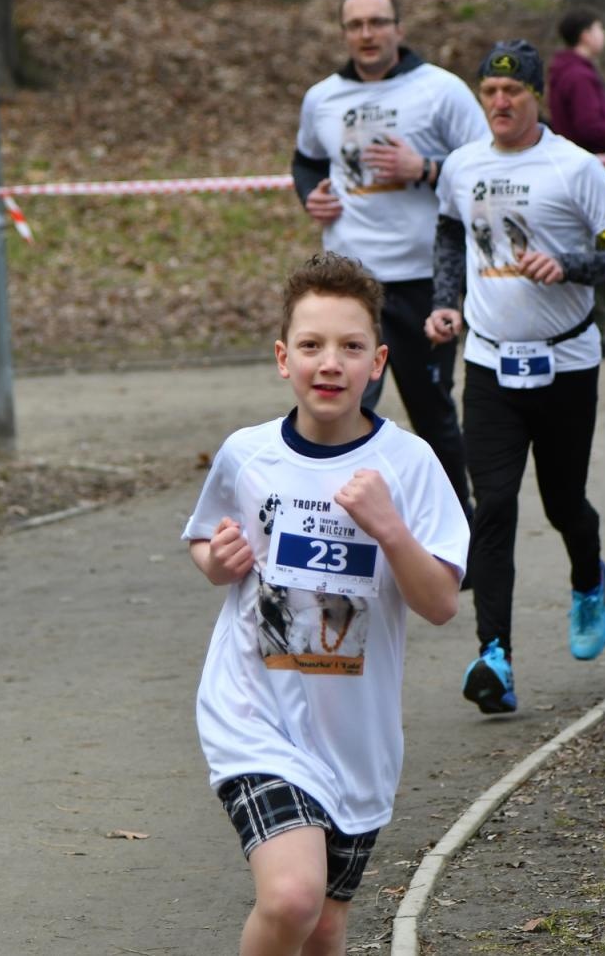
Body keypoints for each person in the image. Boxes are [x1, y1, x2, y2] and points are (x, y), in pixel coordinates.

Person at [185, 253, 467, 955]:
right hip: (254, 714)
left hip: (356, 739)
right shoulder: (248, 455)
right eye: (312, 346)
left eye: (349, 347)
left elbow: (440, 602)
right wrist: (216, 562)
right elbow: (206, 542)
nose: (329, 363)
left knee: (326, 925)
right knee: (291, 898)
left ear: (379, 362)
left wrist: (389, 529)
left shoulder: (409, 466)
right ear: (285, 358)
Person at [426, 40, 605, 715]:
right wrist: (444, 302)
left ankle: (588, 579)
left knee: (562, 503)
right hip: (491, 363)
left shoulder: (574, 168)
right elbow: (447, 236)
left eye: (511, 92)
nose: (499, 103)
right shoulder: (462, 167)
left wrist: (570, 265)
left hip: (566, 363)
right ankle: (496, 656)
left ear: (535, 97)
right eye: (489, 92)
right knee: (492, 506)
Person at [292, 0, 489, 519]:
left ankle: (455, 532)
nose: (367, 34)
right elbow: (306, 160)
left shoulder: (440, 90)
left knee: (431, 414)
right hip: (349, 284)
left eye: (377, 22)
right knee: (337, 409)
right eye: (355, 25)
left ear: (399, 29)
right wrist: (312, 194)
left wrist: (423, 168)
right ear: (344, 34)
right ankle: (331, 529)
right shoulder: (322, 99)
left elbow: (485, 170)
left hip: (424, 281)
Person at [547, 7, 605, 358]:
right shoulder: (578, 76)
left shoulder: (568, 71)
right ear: (585, 34)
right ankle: (594, 330)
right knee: (599, 252)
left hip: (576, 172)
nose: (603, 35)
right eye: (599, 28)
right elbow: (588, 127)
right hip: (587, 176)